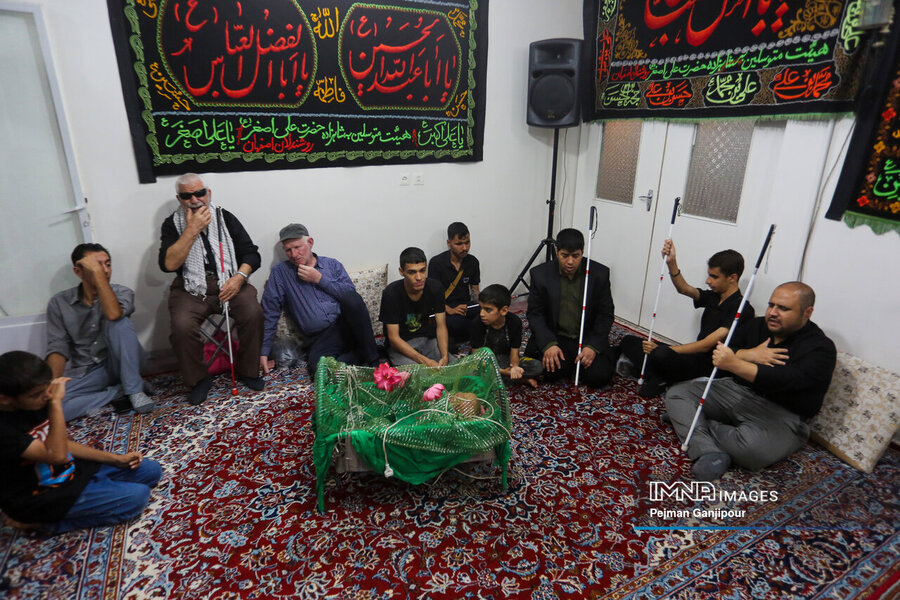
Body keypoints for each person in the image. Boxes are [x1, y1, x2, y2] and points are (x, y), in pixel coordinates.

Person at [665, 282, 836, 481]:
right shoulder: (758, 325)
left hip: (781, 413)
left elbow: (786, 379)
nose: (773, 313)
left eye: (783, 308)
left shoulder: (821, 348)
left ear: (807, 312)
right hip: (738, 391)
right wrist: (748, 355)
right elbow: (721, 349)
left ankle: (694, 422)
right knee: (677, 394)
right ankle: (707, 450)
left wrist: (736, 363)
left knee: (752, 451)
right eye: (771, 305)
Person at [0, 351, 162, 534]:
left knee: (151, 471)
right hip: (41, 496)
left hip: (70, 472)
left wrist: (115, 459)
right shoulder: (4, 429)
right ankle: (43, 525)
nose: (47, 395)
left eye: (47, 389)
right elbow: (57, 456)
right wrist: (55, 403)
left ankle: (99, 489)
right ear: (4, 398)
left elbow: (64, 444)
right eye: (37, 394)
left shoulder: (35, 401)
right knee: (137, 498)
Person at [159, 173, 265, 405]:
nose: (194, 200)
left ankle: (249, 370)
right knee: (181, 326)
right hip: (191, 286)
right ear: (179, 199)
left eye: (199, 193)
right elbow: (168, 265)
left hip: (229, 280)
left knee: (253, 312)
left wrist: (239, 277)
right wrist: (191, 230)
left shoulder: (225, 217)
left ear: (208, 194)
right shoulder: (172, 224)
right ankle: (198, 380)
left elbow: (251, 254)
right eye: (187, 196)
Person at [617, 242, 755, 397]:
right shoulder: (714, 296)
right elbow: (684, 288)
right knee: (628, 341)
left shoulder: (742, 309)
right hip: (693, 357)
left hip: (710, 366)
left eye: (714, 277)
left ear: (732, 278)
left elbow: (705, 345)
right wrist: (672, 263)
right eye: (709, 275)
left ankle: (660, 376)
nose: (708, 281)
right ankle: (661, 375)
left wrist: (665, 350)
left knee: (661, 353)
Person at [46, 243, 155, 420]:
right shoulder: (59, 303)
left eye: (108, 264)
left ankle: (134, 390)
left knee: (119, 322)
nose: (105, 270)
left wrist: (97, 275)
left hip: (123, 362)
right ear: (78, 272)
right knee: (53, 405)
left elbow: (113, 314)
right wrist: (51, 385)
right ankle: (118, 392)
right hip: (89, 372)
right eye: (97, 266)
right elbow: (57, 346)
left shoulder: (123, 292)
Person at [260, 223, 379, 376]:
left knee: (352, 299)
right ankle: (362, 352)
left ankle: (374, 362)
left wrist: (319, 279)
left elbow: (351, 298)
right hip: (321, 337)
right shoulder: (281, 273)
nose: (294, 254)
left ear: (310, 242)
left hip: (347, 325)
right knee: (320, 370)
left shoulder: (332, 265)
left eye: (297, 247)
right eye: (288, 250)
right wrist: (264, 351)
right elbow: (270, 311)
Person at [524, 228, 615, 388]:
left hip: (586, 337)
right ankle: (568, 363)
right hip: (556, 336)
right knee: (551, 372)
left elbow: (605, 314)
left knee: (599, 377)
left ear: (583, 252)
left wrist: (592, 346)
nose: (570, 262)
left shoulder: (599, 274)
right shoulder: (540, 274)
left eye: (576, 256)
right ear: (556, 251)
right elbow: (535, 313)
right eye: (565, 255)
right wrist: (548, 344)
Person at [379, 247, 452, 366]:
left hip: (427, 341)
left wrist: (444, 356)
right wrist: (425, 361)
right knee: (417, 374)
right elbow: (394, 338)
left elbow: (441, 326)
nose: (419, 277)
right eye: (412, 272)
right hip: (401, 346)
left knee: (455, 367)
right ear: (401, 271)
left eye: (422, 270)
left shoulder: (435, 288)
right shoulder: (391, 293)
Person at [470, 284, 542, 386]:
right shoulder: (477, 323)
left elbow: (514, 352)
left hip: (505, 359)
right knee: (472, 372)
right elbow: (476, 358)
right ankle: (519, 379)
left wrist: (514, 368)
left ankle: (507, 378)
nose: (482, 313)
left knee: (537, 366)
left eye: (487, 310)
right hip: (484, 362)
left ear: (504, 310)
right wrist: (504, 372)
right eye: (481, 308)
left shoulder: (515, 322)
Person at [428, 222, 480, 347]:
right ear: (449, 243)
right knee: (455, 323)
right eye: (459, 244)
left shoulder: (472, 262)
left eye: (467, 242)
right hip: (444, 308)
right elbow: (432, 296)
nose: (465, 248)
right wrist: (450, 310)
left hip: (465, 306)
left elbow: (475, 291)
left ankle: (468, 332)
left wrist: (481, 306)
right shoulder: (436, 263)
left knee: (489, 314)